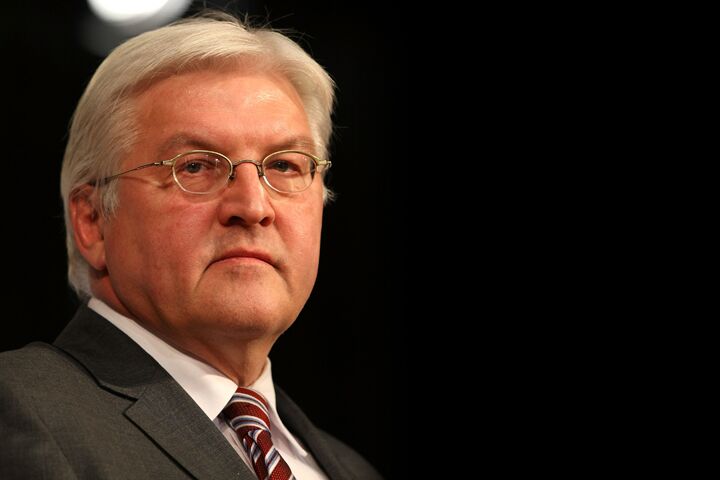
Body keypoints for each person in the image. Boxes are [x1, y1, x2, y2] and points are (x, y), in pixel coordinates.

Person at [0, 11, 382, 480]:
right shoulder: (18, 408)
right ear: (93, 221)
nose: (253, 206)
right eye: (196, 166)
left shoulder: (353, 470)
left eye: (284, 165)